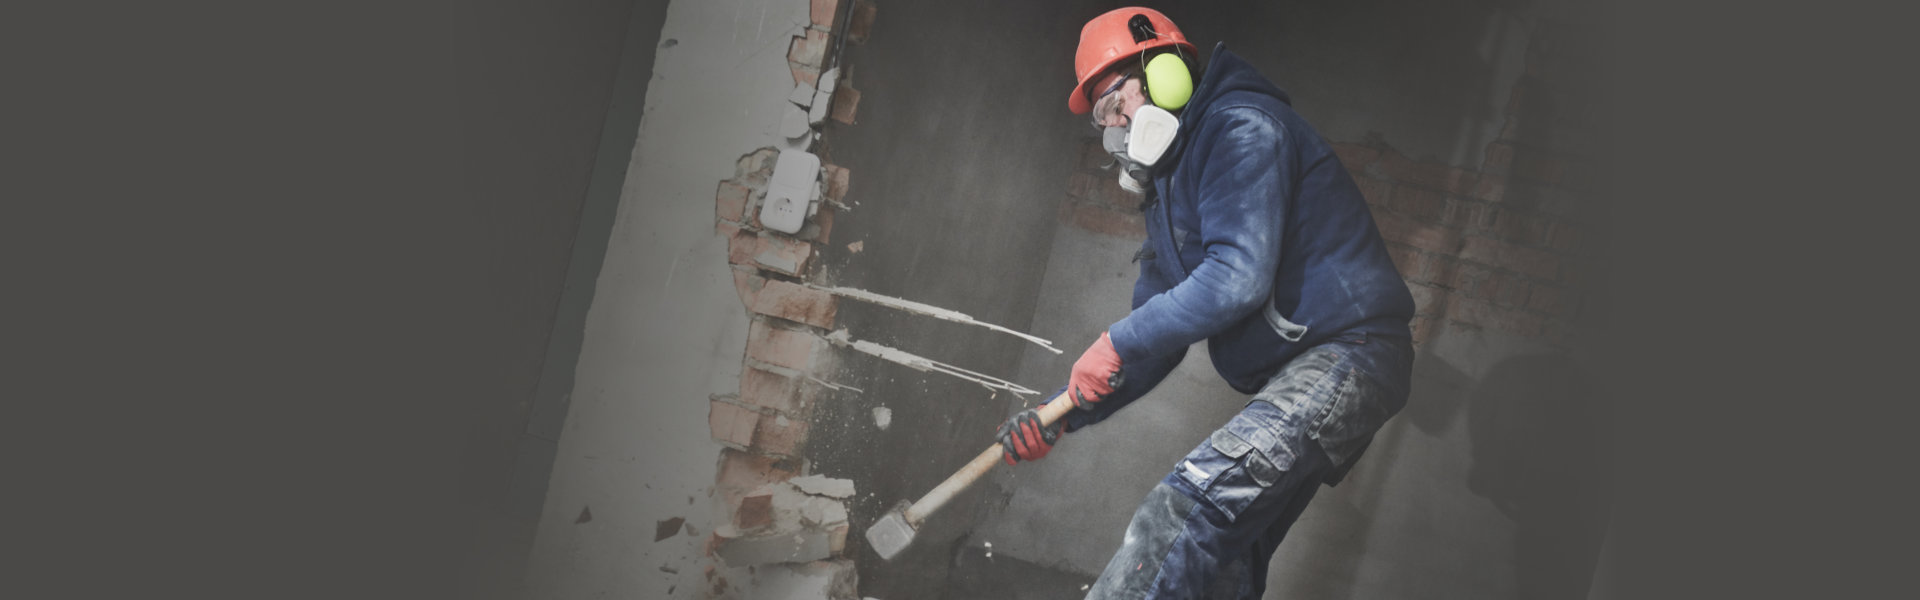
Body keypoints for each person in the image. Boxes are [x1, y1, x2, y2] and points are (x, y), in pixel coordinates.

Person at [993, 7, 1418, 598]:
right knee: (1223, 566)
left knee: (1182, 511)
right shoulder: (1170, 191)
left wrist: (1115, 341)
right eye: (1101, 120)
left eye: (1116, 102)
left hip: (1349, 354)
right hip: (1311, 369)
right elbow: (1151, 341)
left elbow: (1235, 278)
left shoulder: (1242, 128)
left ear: (1166, 71)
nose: (1115, 130)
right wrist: (1060, 416)